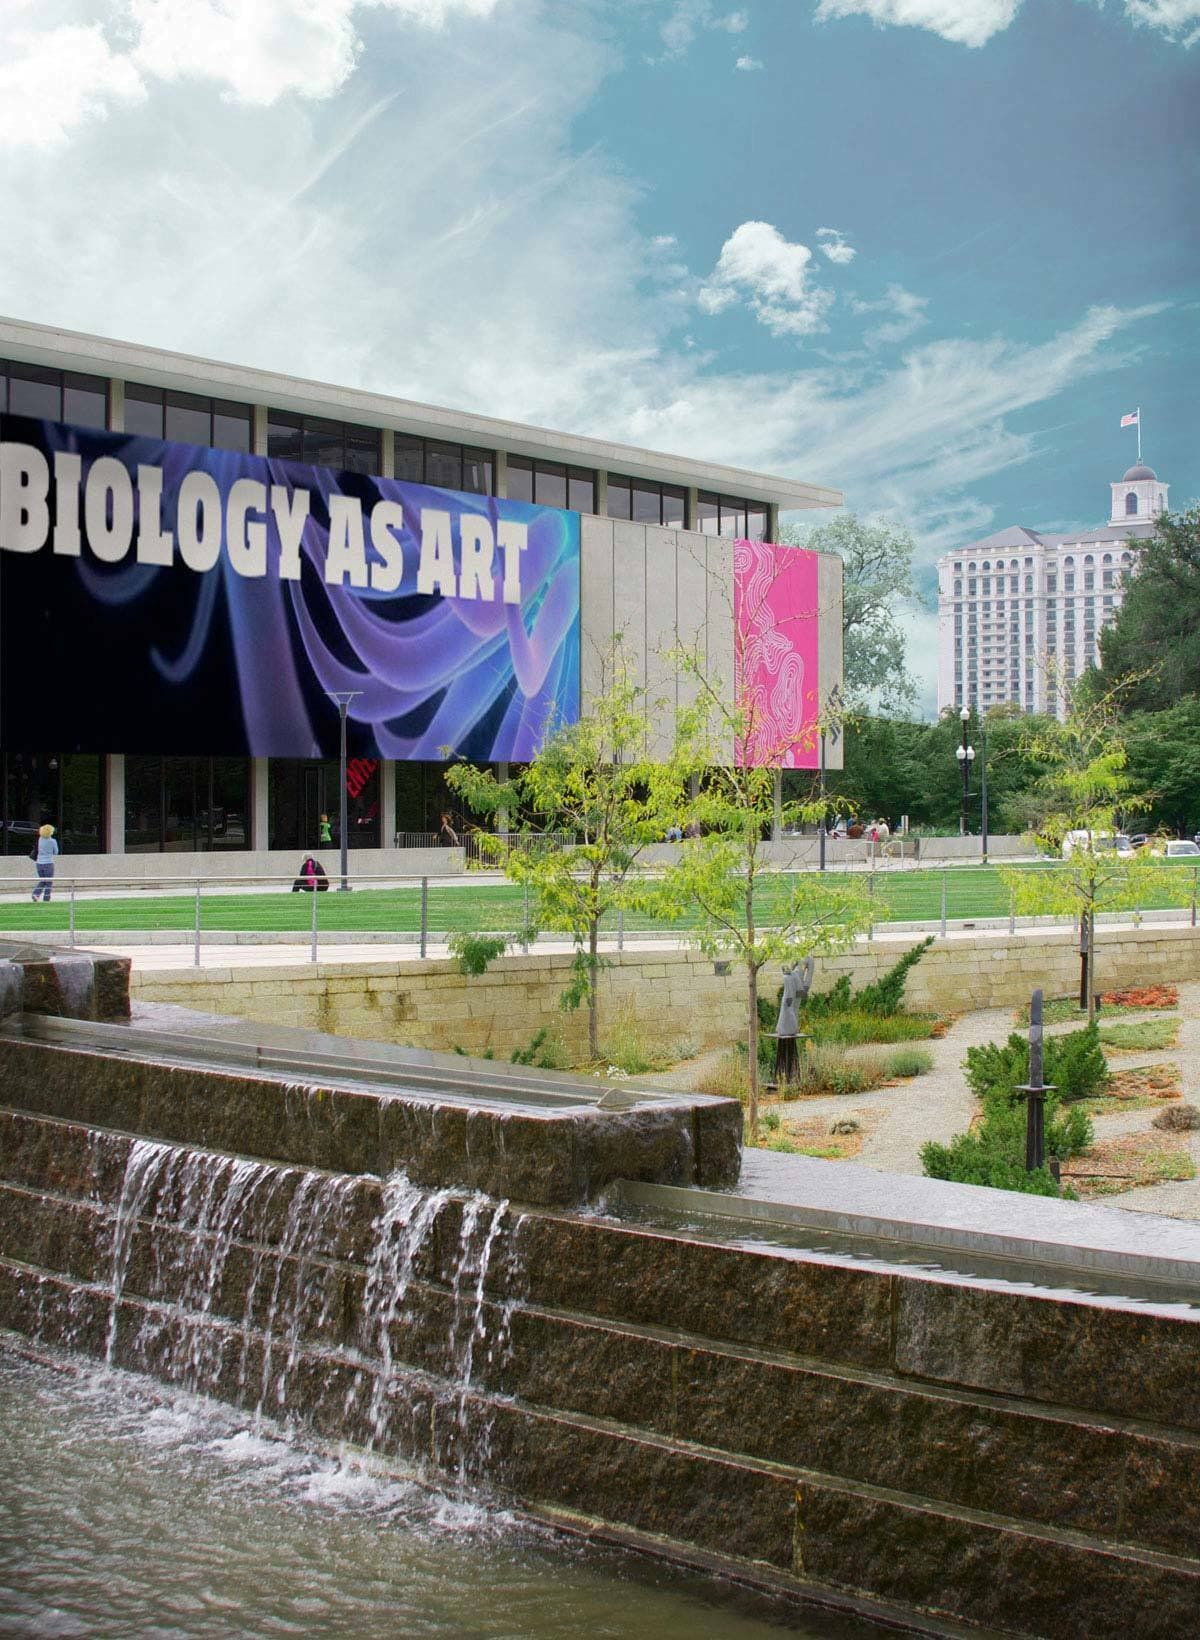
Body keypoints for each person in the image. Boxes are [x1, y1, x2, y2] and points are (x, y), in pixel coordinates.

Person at [31, 823, 58, 902]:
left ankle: (35, 894)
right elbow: (56, 852)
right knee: (49, 882)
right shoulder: (53, 841)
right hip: (48, 863)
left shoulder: (40, 839)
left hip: (39, 863)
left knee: (42, 880)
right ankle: (46, 898)